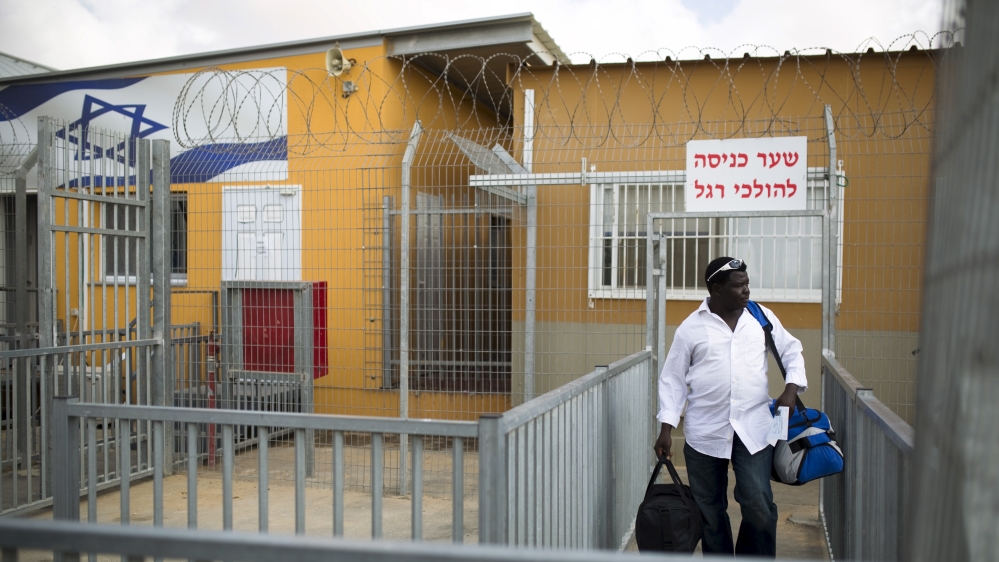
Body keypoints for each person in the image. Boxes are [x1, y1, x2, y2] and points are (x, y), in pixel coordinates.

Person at [652, 257, 807, 557]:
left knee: (758, 503)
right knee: (709, 512)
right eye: (739, 286)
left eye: (747, 283)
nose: (747, 290)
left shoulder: (761, 318)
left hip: (754, 429)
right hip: (705, 433)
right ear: (717, 289)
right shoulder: (691, 328)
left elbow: (792, 350)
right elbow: (673, 380)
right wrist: (666, 429)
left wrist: (791, 389)